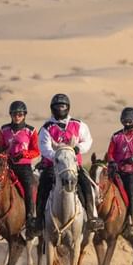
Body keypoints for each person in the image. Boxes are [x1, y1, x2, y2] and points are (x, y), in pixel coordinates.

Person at [35, 93, 101, 231]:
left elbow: (87, 141)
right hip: (52, 166)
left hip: (74, 166)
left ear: (68, 107)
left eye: (63, 106)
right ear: (52, 108)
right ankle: (39, 221)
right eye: (58, 106)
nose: (60, 109)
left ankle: (91, 218)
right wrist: (59, 157)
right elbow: (44, 148)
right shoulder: (46, 128)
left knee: (86, 186)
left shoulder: (78, 125)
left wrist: (77, 149)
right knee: (43, 187)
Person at [0, 100, 40, 235]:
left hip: (24, 167)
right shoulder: (4, 130)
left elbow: (36, 151)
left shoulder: (31, 131)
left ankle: (30, 219)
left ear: (24, 115)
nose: (17, 117)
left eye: (20, 114)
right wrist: (3, 154)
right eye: (14, 114)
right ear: (11, 115)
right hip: (7, 166)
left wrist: (24, 154)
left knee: (29, 188)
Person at [105, 107, 133, 227]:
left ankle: (131, 222)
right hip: (117, 171)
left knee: (132, 195)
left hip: (132, 172)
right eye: (125, 121)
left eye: (130, 121)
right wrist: (112, 162)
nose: (127, 123)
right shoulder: (116, 136)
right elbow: (110, 153)